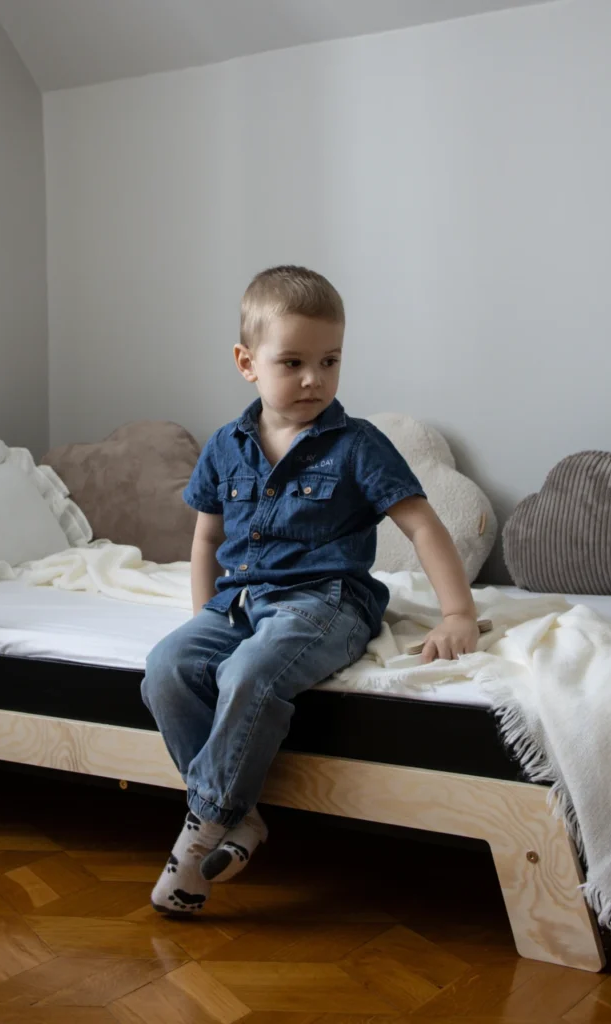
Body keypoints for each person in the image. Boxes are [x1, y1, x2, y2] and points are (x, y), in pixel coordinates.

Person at [141, 265, 479, 915]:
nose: (313, 379)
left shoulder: (357, 445)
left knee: (249, 673)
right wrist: (202, 619)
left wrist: (458, 611)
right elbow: (207, 540)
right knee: (167, 666)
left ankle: (202, 831)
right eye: (292, 362)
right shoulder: (225, 447)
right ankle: (240, 819)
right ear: (247, 363)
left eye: (330, 361)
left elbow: (422, 524)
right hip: (238, 603)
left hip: (326, 601)